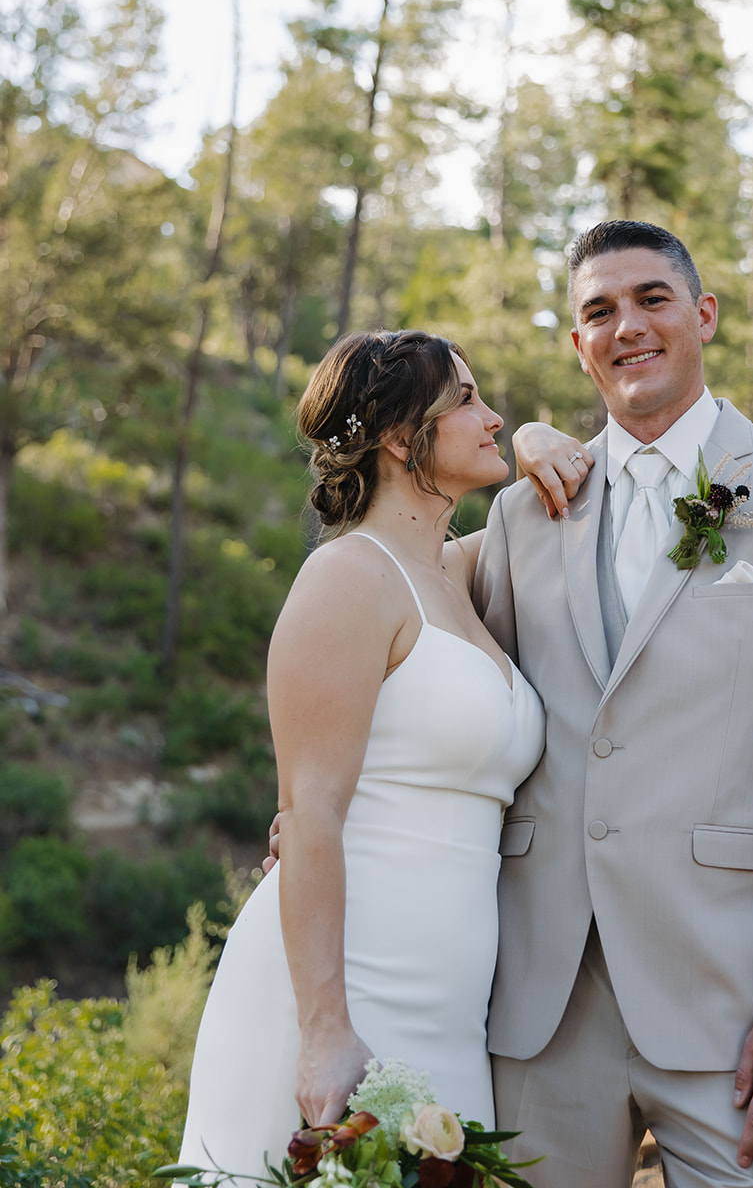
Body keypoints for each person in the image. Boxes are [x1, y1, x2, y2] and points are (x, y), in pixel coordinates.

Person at [475, 220, 753, 1188]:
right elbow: (437, 673)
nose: (625, 325)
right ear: (576, 344)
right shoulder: (519, 514)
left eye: (650, 299)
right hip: (540, 1011)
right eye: (598, 311)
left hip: (737, 1003)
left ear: (701, 315)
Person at [178, 329, 591, 1182]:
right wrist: (324, 1029)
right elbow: (312, 812)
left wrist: (535, 441)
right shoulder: (348, 580)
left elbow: (587, 495)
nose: (494, 415)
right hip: (345, 985)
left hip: (448, 998)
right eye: (468, 402)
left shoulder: (460, 574)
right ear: (403, 440)